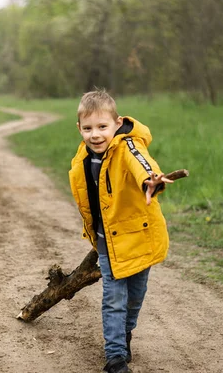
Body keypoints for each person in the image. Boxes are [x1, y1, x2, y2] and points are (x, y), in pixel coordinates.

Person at [69, 89, 174, 373]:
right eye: (88, 128)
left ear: (116, 124)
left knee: (135, 297)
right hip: (109, 242)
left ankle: (125, 334)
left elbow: (142, 164)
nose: (96, 135)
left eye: (102, 127)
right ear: (79, 128)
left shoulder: (127, 146)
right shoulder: (84, 156)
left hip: (140, 236)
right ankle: (114, 356)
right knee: (114, 298)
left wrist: (151, 181)